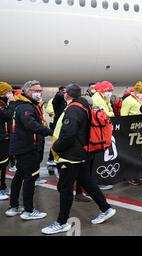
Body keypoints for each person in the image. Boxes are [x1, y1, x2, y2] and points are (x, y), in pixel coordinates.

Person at [41, 83, 116, 235]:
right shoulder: (84, 105)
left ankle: (62, 222)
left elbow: (68, 134)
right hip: (83, 152)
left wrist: (56, 148)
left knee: (65, 187)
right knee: (86, 181)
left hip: (71, 155)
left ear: (67, 95)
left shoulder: (74, 109)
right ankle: (106, 208)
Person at [6, 80, 53, 220]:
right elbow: (30, 124)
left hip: (21, 146)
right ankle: (28, 210)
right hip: (27, 147)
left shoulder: (25, 104)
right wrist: (50, 131)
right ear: (27, 92)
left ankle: (13, 207)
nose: (39, 93)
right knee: (30, 178)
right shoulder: (26, 107)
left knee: (19, 175)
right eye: (36, 91)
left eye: (40, 90)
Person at [0, 82, 16, 201]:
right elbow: (7, 115)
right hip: (1, 138)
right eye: (8, 92)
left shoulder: (2, 103)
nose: (9, 94)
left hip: (4, 137)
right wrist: (12, 102)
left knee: (4, 163)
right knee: (1, 164)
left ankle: (3, 186)